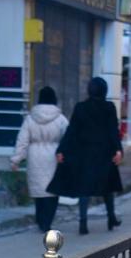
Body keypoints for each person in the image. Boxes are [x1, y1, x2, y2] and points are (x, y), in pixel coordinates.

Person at [47, 77, 123, 236]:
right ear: (104, 91)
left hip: (84, 153)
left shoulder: (81, 107)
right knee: (108, 186)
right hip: (104, 153)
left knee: (84, 188)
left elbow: (72, 131)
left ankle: (83, 222)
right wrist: (118, 150)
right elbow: (113, 130)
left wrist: (61, 150)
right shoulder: (109, 107)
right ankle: (111, 217)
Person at [9, 86, 69, 233]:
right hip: (54, 156)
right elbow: (68, 138)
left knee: (39, 190)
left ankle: (40, 219)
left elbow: (22, 140)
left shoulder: (30, 118)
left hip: (35, 155)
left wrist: (16, 160)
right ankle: (47, 221)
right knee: (52, 190)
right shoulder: (61, 118)